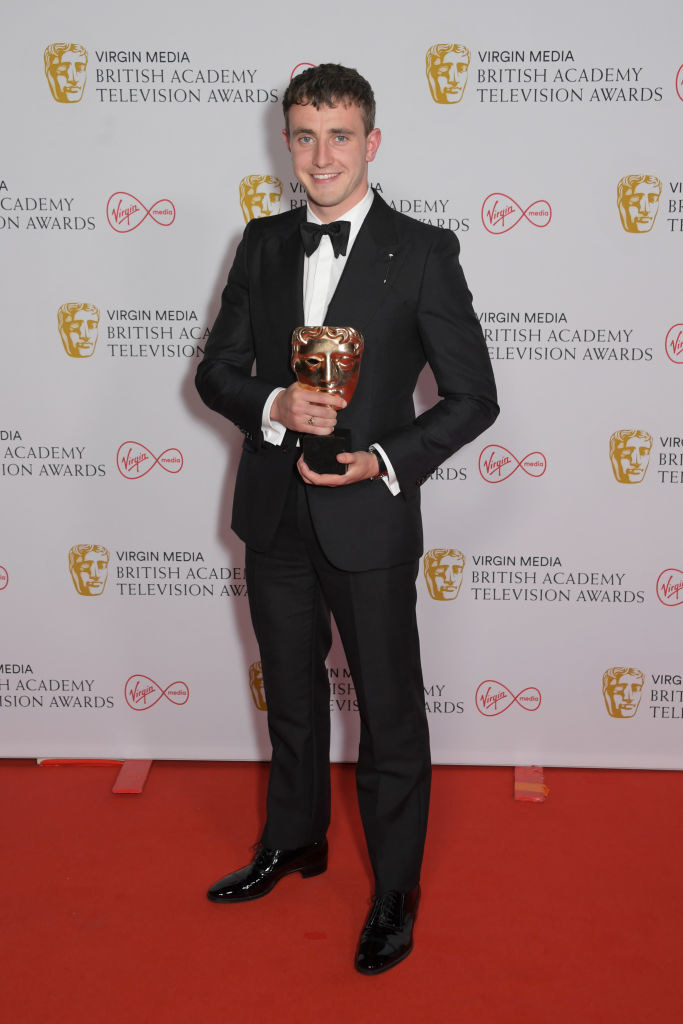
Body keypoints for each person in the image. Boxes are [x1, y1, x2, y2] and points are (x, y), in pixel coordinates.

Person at [195, 63, 498, 975]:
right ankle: (295, 841)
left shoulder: (425, 249)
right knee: (288, 697)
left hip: (369, 519)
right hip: (273, 514)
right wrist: (272, 404)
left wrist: (387, 459)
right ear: (284, 144)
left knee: (391, 715)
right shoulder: (259, 241)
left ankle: (395, 892)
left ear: (371, 143)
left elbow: (473, 397)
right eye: (303, 135)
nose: (320, 154)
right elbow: (216, 371)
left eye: (338, 135)